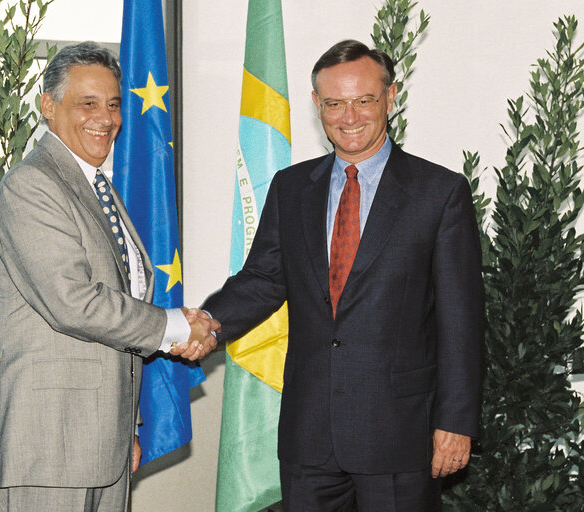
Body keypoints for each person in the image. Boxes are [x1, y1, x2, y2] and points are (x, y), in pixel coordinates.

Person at [202, 39, 484, 511]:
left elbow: (462, 322)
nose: (349, 117)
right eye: (334, 103)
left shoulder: (439, 193)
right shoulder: (291, 188)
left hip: (399, 437)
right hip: (309, 436)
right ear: (317, 105)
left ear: (391, 98)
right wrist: (205, 324)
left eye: (364, 101)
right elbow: (263, 280)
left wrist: (456, 422)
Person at [0, 41, 217, 512]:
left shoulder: (97, 186)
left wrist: (123, 428)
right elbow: (76, 304)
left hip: (101, 443)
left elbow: (117, 310)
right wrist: (176, 326)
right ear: (48, 106)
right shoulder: (32, 185)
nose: (105, 118)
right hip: (48, 445)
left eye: (113, 104)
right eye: (87, 103)